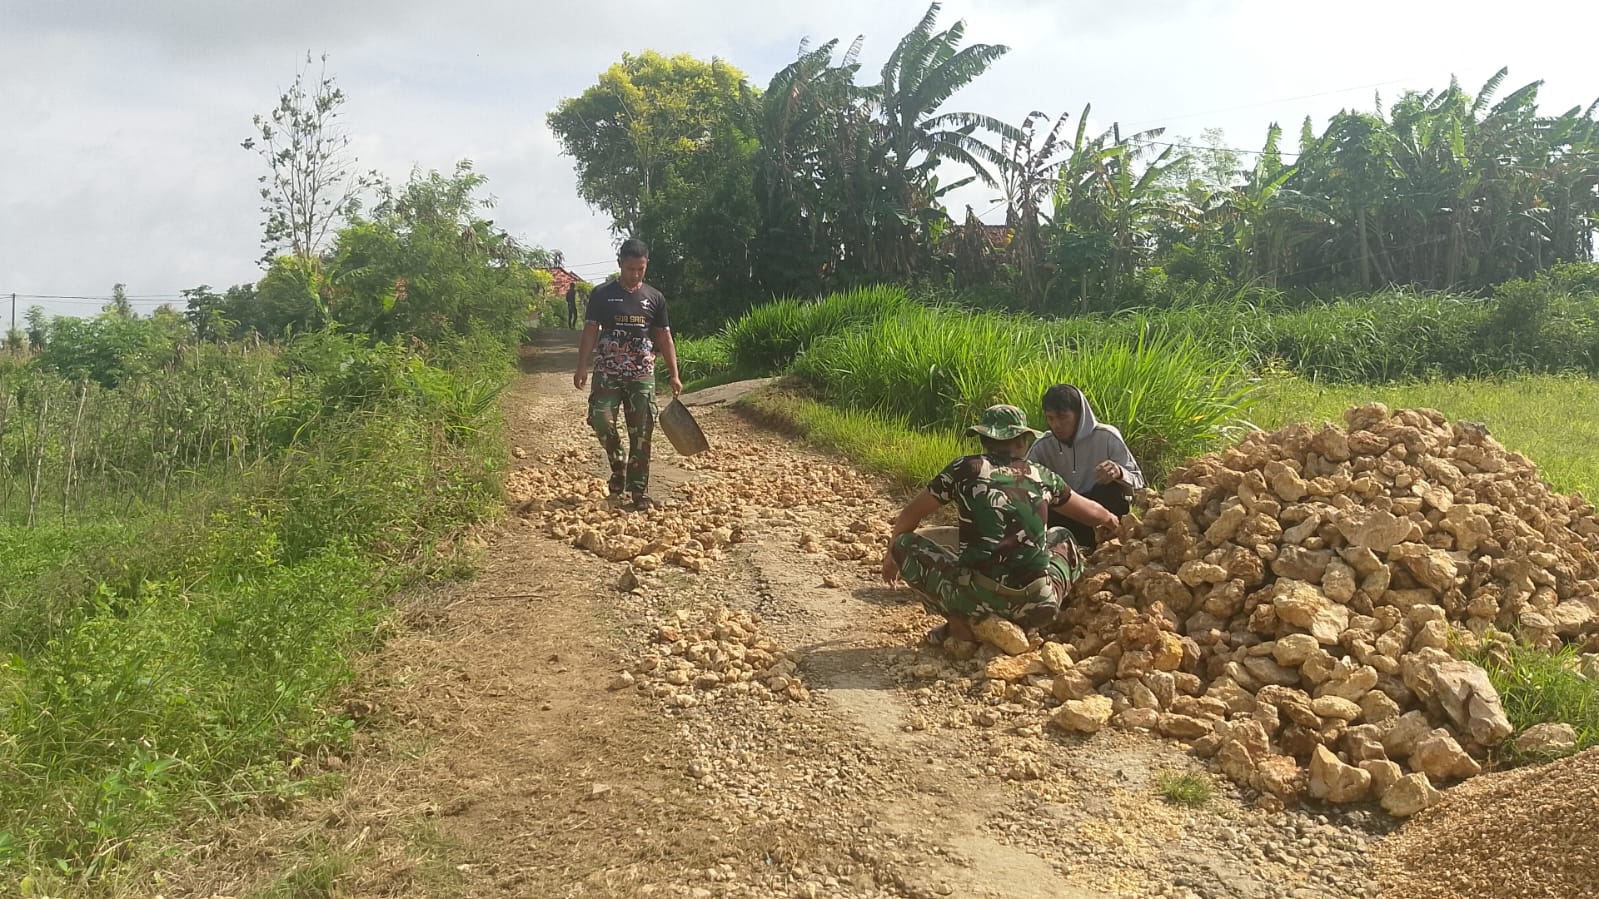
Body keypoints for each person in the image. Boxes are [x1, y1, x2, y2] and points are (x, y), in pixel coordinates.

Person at [880, 404, 1119, 644]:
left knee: (904, 543)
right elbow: (1092, 512)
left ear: (984, 440)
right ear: (1022, 441)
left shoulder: (965, 469)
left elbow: (911, 514)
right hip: (1037, 599)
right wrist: (1114, 522)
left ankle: (960, 622)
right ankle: (1030, 619)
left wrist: (892, 553)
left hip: (974, 598)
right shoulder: (1041, 475)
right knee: (1063, 536)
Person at [574, 238, 682, 511]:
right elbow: (590, 330)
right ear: (620, 263)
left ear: (646, 267)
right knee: (601, 420)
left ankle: (638, 491)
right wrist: (581, 365)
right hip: (607, 372)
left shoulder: (654, 298)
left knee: (642, 432)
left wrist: (674, 373)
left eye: (641, 269)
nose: (635, 274)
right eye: (630, 268)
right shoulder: (601, 294)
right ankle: (618, 464)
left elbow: (664, 336)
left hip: (641, 375)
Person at [1026, 383, 1144, 553]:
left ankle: (1109, 549)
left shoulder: (1107, 437)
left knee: (1109, 489)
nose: (1057, 425)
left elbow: (1139, 482)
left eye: (1063, 417)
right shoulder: (1042, 446)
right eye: (1051, 418)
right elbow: (1022, 483)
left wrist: (1119, 472)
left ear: (1080, 415)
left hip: (1104, 518)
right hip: (1066, 515)